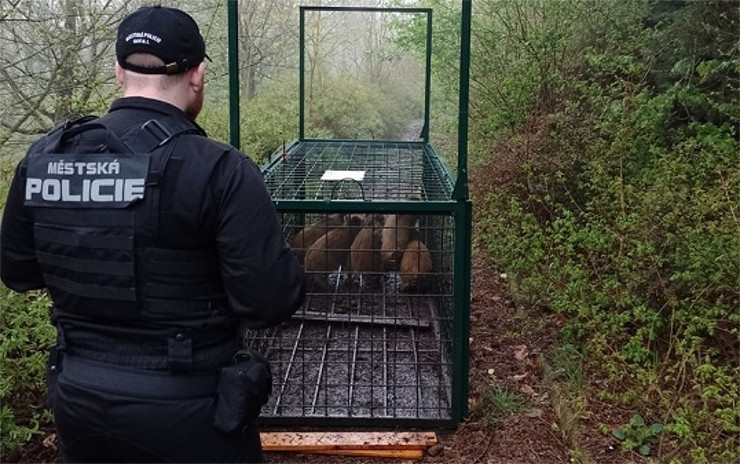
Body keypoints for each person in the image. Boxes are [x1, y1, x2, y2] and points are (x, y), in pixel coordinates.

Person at [0, 5, 305, 463]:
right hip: (190, 407)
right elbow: (269, 301)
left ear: (118, 71)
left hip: (78, 398)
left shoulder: (45, 158)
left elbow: (18, 272)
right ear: (198, 75)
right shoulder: (221, 169)